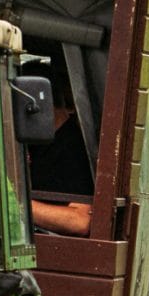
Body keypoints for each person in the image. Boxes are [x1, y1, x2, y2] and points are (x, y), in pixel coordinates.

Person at [26, 76, 96, 237]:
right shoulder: (36, 143)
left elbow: (80, 220)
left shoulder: (74, 147)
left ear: (35, 106)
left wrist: (16, 207)